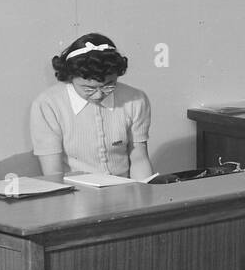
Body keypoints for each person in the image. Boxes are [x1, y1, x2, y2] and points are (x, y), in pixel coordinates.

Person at [31, 33, 155, 179]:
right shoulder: (48, 104)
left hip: (124, 187)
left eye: (109, 86)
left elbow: (139, 158)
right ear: (70, 78)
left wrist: (143, 188)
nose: (98, 95)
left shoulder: (135, 99)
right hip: (73, 190)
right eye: (88, 88)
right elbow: (53, 173)